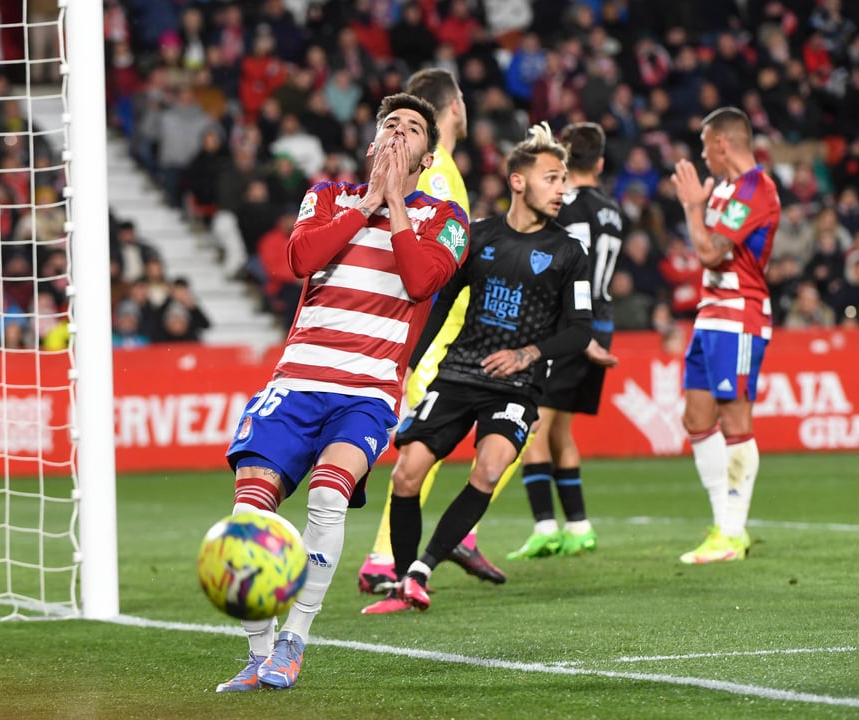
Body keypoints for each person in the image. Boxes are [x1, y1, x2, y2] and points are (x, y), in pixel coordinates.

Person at [215, 93, 468, 691]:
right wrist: (369, 205)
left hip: (366, 392)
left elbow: (420, 279)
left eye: (412, 129)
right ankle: (258, 654)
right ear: (371, 143)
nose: (399, 134)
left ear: (427, 157)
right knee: (248, 516)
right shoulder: (328, 196)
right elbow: (300, 256)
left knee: (327, 498)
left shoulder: (445, 219)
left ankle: (294, 641)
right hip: (296, 381)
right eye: (390, 125)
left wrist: (396, 207)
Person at [361, 123, 593, 614]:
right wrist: (407, 364)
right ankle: (405, 582)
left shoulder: (570, 253)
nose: (562, 189)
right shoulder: (479, 237)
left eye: (565, 180)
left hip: (519, 385)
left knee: (488, 468)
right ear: (517, 181)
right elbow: (441, 305)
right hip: (460, 374)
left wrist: (529, 354)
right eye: (552, 178)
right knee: (406, 475)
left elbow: (578, 330)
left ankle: (422, 570)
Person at [358, 68, 509, 594]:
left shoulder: (445, 168)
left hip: (447, 333)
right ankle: (383, 559)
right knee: (420, 444)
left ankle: (456, 537)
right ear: (454, 105)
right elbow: (435, 261)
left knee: (440, 444)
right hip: (440, 335)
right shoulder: (439, 172)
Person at [669, 107, 781, 564]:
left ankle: (732, 533)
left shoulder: (757, 189)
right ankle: (723, 525)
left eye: (704, 146)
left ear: (721, 143)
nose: (701, 156)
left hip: (739, 317)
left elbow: (711, 253)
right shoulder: (726, 191)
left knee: (735, 419)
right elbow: (706, 251)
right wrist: (699, 207)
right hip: (710, 315)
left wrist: (693, 207)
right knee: (697, 418)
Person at [508, 122, 624, 560]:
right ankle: (578, 526)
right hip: (603, 321)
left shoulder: (569, 204)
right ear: (601, 162)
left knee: (534, 426)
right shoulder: (612, 209)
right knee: (561, 431)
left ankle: (544, 527)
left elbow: (557, 251)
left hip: (571, 323)